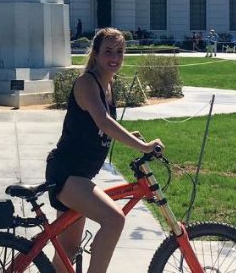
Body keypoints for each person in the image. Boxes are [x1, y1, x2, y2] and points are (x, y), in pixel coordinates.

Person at [45, 28, 163, 273]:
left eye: (119, 52)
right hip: (67, 174)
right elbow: (103, 122)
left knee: (67, 252)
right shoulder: (87, 83)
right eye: (108, 51)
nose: (115, 57)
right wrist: (143, 146)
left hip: (79, 176)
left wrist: (131, 137)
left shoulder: (107, 85)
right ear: (96, 54)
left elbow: (98, 129)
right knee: (114, 220)